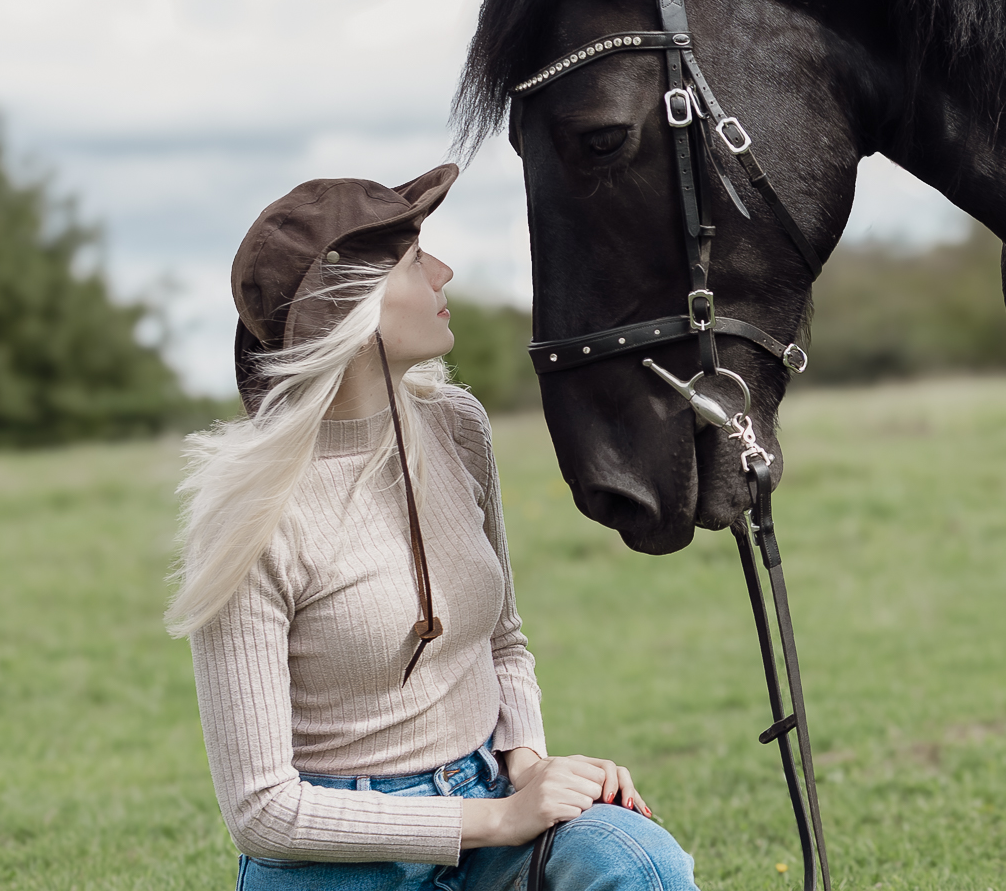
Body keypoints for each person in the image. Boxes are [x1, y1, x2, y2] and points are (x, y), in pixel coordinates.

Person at [167, 164, 697, 891]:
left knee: (639, 863)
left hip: (486, 788)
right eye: (417, 261)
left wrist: (531, 767)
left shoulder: (457, 428)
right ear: (351, 312)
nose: (444, 272)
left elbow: (503, 640)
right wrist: (497, 823)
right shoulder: (252, 514)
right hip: (339, 861)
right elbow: (263, 811)